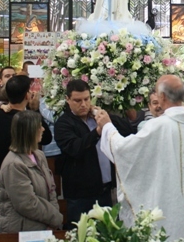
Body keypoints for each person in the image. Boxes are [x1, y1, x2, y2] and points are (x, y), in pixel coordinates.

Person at [97, 75, 184, 242]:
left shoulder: (158, 126)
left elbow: (124, 152)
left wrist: (107, 127)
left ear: (163, 97)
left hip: (172, 210)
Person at [54, 79, 133, 229]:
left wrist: (106, 117)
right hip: (80, 195)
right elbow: (76, 148)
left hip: (105, 190)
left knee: (109, 233)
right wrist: (97, 132)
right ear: (67, 100)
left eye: (86, 99)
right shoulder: (63, 124)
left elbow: (128, 130)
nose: (83, 104)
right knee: (82, 235)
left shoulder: (96, 118)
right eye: (77, 100)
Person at [0, 110, 63, 233]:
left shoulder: (39, 155)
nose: (43, 129)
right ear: (29, 131)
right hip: (21, 231)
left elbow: (51, 190)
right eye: (39, 127)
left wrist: (54, 219)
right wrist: (54, 218)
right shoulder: (14, 164)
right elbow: (27, 204)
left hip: (44, 225)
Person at [0, 75, 52, 177]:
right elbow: (46, 138)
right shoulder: (24, 119)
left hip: (0, 172)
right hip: (21, 173)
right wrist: (35, 110)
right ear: (27, 95)